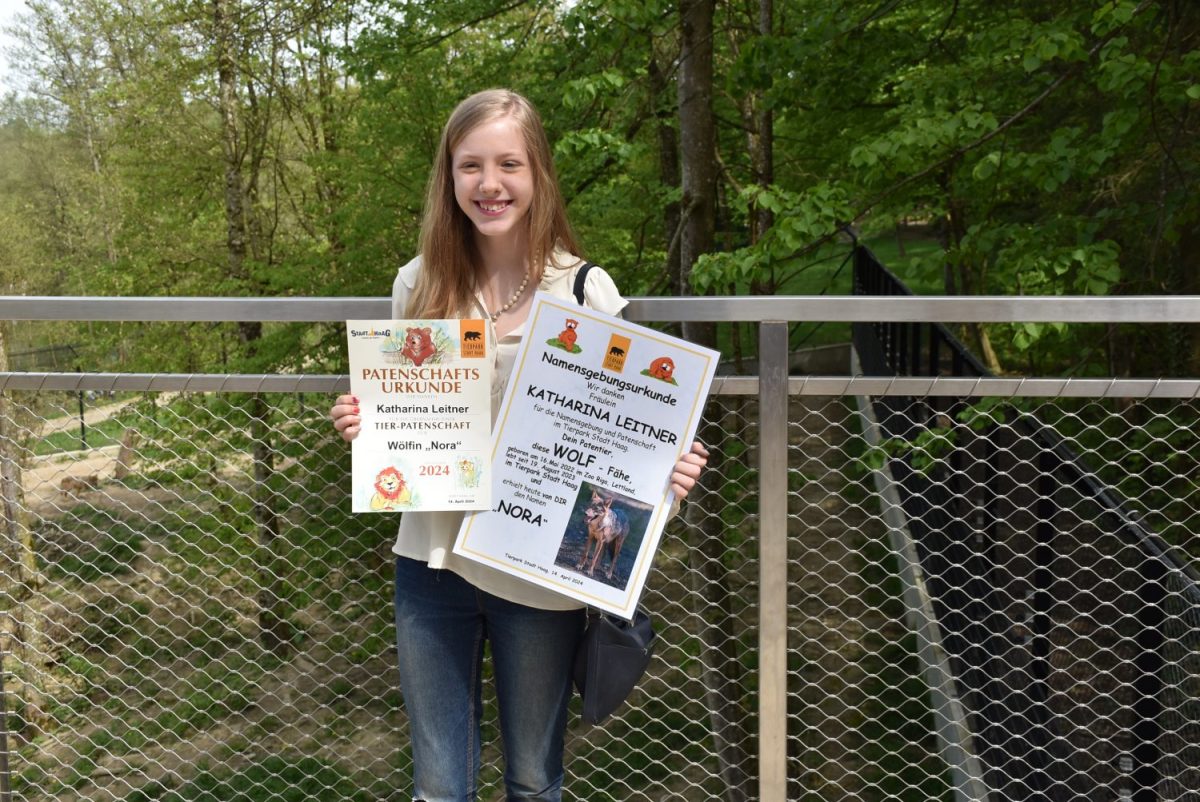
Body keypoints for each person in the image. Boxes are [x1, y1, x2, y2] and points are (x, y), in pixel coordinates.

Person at [328, 89, 709, 802]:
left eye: (508, 163)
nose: (489, 184)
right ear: (449, 178)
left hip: (537, 580)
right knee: (439, 787)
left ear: (537, 176)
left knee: (534, 781)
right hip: (431, 567)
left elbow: (630, 439)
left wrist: (668, 475)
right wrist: (366, 424)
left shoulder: (585, 293)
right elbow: (405, 420)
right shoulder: (417, 284)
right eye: (470, 165)